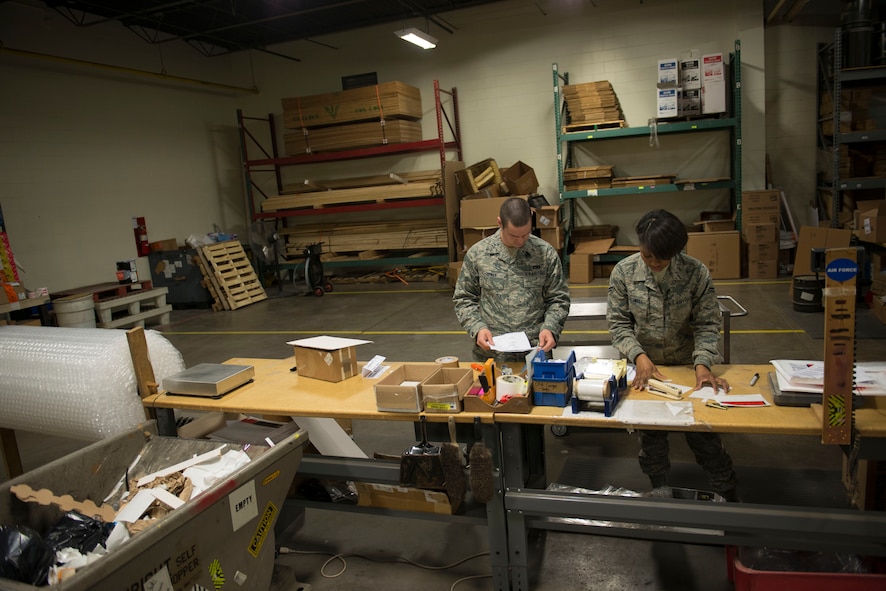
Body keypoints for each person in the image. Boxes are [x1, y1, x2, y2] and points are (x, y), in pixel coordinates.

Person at [607, 209, 739, 501]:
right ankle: (659, 491)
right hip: (645, 371)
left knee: (705, 437)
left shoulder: (695, 273)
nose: (653, 263)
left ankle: (726, 492)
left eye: (661, 258)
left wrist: (703, 363)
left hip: (686, 368)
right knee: (651, 440)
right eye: (647, 256)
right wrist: (638, 355)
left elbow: (707, 323)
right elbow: (618, 324)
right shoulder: (624, 272)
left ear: (676, 251)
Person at [453, 197, 570, 364]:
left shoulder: (545, 254)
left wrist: (550, 328)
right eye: (514, 235)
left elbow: (558, 299)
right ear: (500, 223)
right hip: (492, 353)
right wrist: (477, 328)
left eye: (526, 234)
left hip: (534, 351)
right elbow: (464, 298)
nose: (521, 241)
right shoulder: (478, 254)